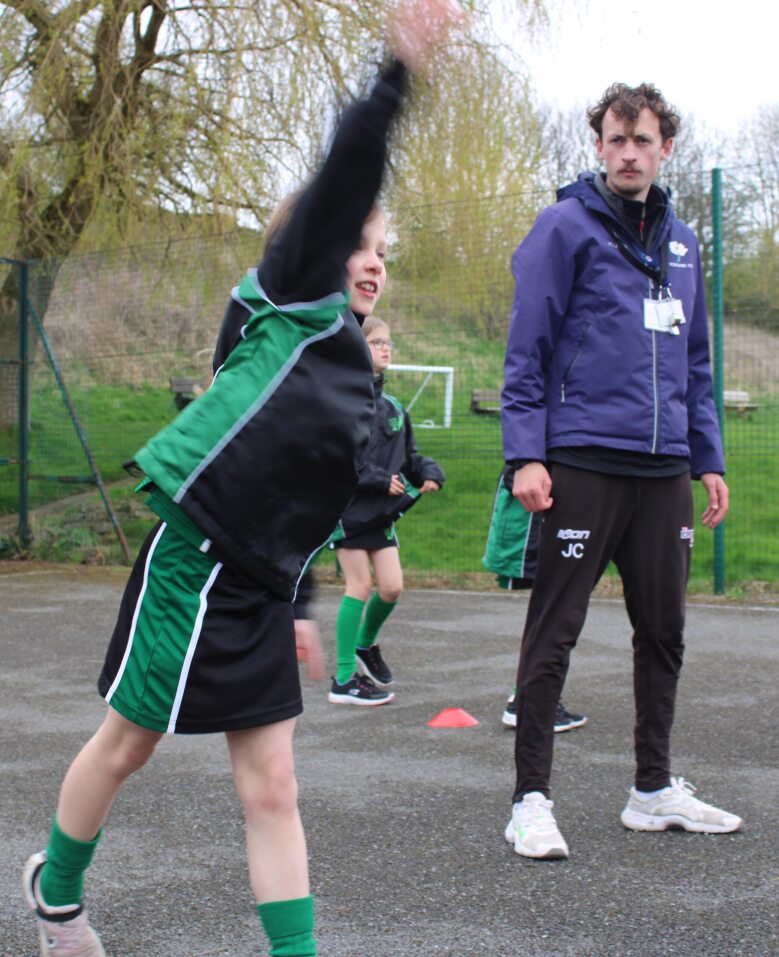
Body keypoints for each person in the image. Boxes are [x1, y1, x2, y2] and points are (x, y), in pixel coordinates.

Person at [22, 3, 463, 955]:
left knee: (273, 787)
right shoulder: (296, 288)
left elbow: (299, 498)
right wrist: (397, 72)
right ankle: (56, 896)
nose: (372, 260)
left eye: (384, 250)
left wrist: (303, 604)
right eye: (361, 241)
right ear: (318, 238)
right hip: (197, 558)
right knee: (128, 743)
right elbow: (347, 169)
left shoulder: (354, 376)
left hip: (259, 584)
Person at [501, 82, 742, 861]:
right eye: (615, 139)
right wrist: (524, 452)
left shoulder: (683, 242)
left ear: (665, 146)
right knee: (554, 630)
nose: (629, 152)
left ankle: (652, 788)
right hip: (582, 460)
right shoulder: (563, 227)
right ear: (598, 146)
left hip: (664, 468)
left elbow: (694, 362)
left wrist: (705, 456)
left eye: (643, 140)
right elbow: (527, 347)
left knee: (664, 631)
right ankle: (530, 799)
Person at [328, 316, 445, 706]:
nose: (386, 347)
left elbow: (408, 458)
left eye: (388, 342)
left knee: (392, 587)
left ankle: (365, 646)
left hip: (381, 514)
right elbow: (338, 458)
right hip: (347, 510)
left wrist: (427, 470)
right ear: (357, 347)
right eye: (377, 342)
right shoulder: (343, 401)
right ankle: (343, 679)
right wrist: (377, 479)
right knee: (359, 586)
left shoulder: (394, 406)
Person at [482, 466, 587, 732]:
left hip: (562, 504)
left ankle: (529, 698)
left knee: (559, 608)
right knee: (555, 608)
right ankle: (526, 700)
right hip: (542, 515)